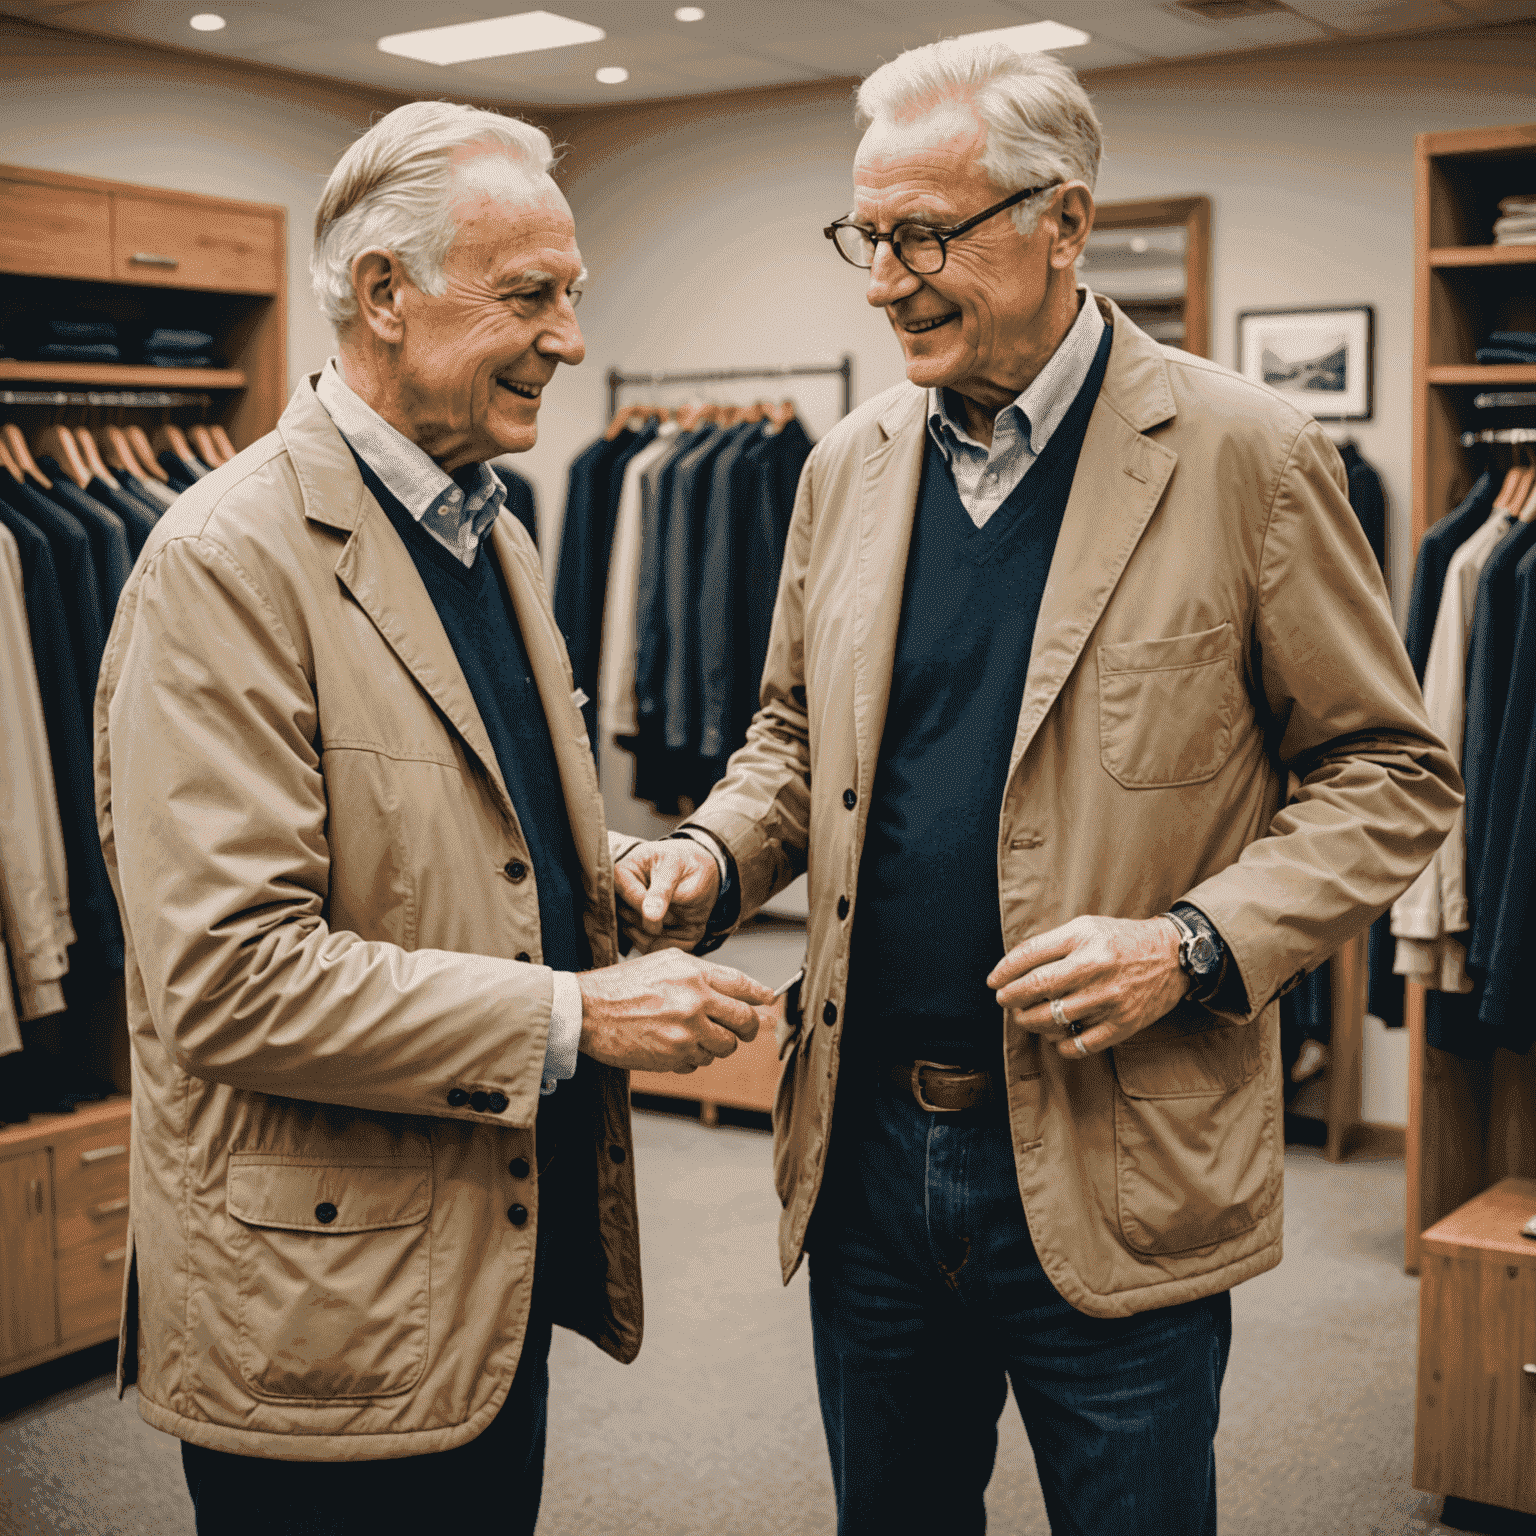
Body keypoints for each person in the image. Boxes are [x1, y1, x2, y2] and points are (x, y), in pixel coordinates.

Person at [614, 40, 1460, 1535]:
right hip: (867, 1153)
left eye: (928, 234)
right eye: (868, 237)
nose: (887, 280)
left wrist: (1191, 945)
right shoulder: (849, 466)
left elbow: (1390, 774)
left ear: (1064, 221)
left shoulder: (1246, 454)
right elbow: (797, 740)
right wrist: (714, 854)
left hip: (1115, 1146)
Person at [95, 100, 773, 1536]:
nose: (572, 339)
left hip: (473, 1269)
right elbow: (230, 980)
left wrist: (612, 886)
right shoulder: (223, 563)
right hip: (323, 1313)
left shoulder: (493, 532)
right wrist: (584, 1017)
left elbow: (471, 843)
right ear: (382, 296)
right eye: (529, 296)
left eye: (570, 295)